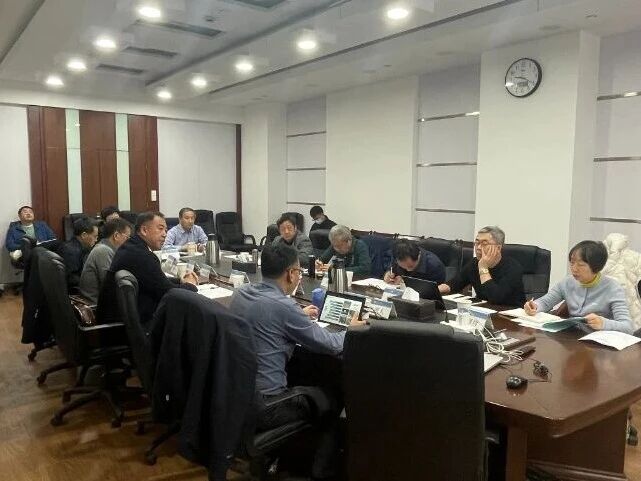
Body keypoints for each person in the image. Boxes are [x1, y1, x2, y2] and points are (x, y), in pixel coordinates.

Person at [229, 245, 364, 480]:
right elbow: (332, 344)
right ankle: (320, 472)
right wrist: (351, 330)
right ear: (291, 274)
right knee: (334, 397)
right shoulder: (284, 307)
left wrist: (297, 315)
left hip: (236, 394)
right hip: (266, 407)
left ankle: (289, 456)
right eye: (299, 272)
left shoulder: (242, 293)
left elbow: (270, 317)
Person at [98, 212, 199, 324]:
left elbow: (156, 281)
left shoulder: (132, 246)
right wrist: (191, 285)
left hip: (120, 319)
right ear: (144, 230)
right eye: (160, 229)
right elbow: (169, 292)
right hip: (124, 325)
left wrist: (180, 281)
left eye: (165, 230)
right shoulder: (142, 256)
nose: (165, 234)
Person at [524, 240, 634, 333]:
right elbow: (545, 302)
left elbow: (627, 327)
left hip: (599, 344)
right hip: (572, 338)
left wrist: (603, 323)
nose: (574, 269)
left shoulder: (613, 288)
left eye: (581, 265)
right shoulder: (567, 282)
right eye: (572, 263)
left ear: (596, 267)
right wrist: (534, 306)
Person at [438, 226, 525, 306]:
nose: (478, 247)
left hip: (508, 314)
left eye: (484, 244)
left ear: (498, 248)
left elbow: (496, 298)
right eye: (477, 243)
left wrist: (483, 268)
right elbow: (455, 284)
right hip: (482, 311)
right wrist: (436, 290)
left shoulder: (512, 268)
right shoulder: (474, 263)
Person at [79, 218, 132, 303]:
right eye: (127, 237)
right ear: (116, 236)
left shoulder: (107, 249)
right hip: (95, 304)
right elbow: (109, 285)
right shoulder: (103, 250)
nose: (129, 242)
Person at [60, 217, 99, 287]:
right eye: (95, 236)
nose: (96, 240)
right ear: (84, 235)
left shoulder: (84, 247)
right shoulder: (70, 251)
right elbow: (72, 279)